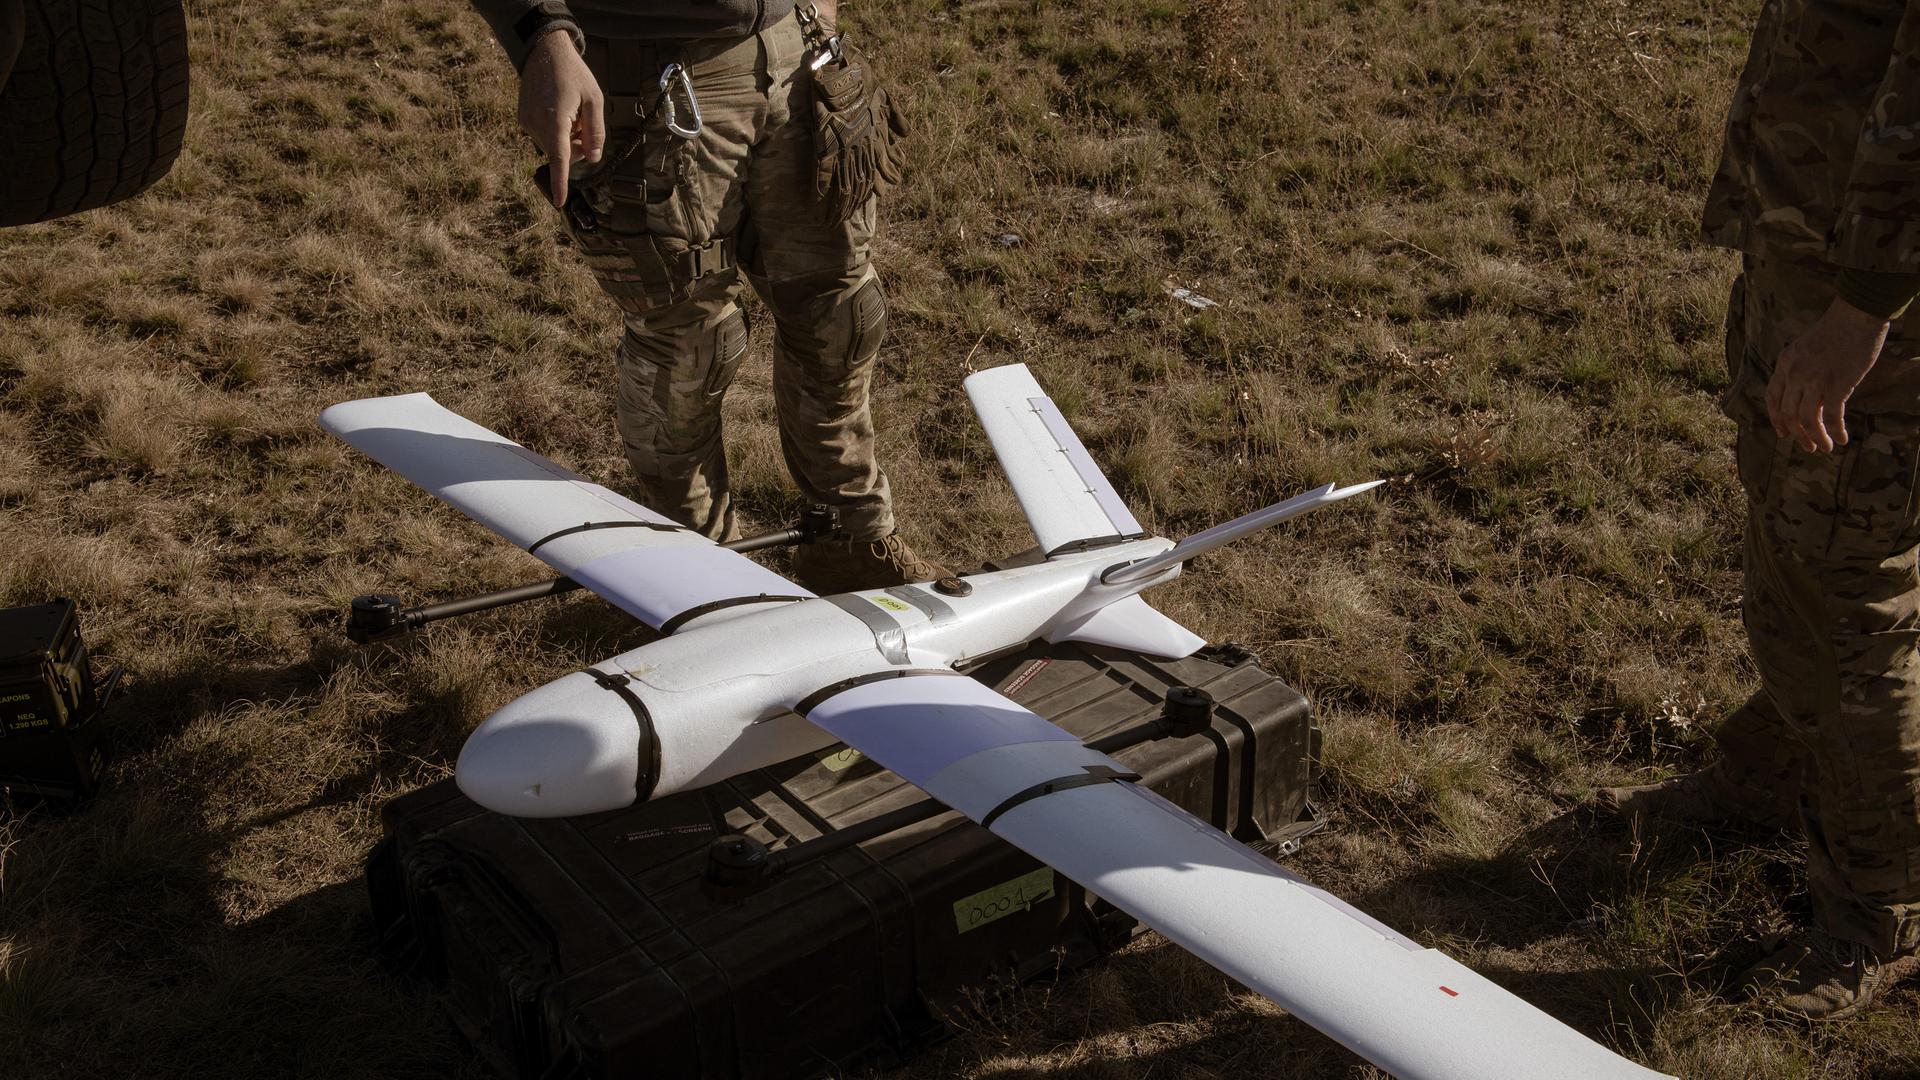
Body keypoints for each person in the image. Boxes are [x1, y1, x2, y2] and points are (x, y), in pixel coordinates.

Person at [1599, 0, 1920, 1020]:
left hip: (1872, 299)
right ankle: (1782, 766)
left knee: (1850, 590)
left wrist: (1865, 306)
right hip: (1807, 246)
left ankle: (1880, 910)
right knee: (1790, 529)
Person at [466, 0, 949, 593]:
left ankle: (851, 538)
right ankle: (703, 579)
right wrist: (542, 36)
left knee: (841, 311)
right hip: (647, 77)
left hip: (797, 49)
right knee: (689, 342)